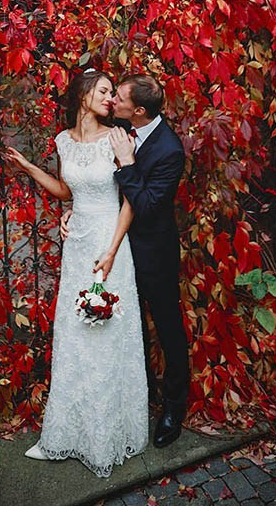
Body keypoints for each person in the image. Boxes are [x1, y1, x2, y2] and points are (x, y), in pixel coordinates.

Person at [4, 69, 149, 477]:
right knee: (76, 333)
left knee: (109, 332)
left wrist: (113, 250)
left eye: (111, 93)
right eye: (103, 91)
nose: (109, 99)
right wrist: (30, 168)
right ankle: (66, 435)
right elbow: (69, 191)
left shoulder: (118, 139)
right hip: (78, 242)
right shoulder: (64, 141)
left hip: (110, 243)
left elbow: (130, 199)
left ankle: (110, 434)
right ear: (84, 94)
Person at [107, 72, 189, 447]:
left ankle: (173, 406)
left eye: (120, 99)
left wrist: (127, 163)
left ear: (138, 110)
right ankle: (140, 397)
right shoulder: (116, 124)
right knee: (129, 326)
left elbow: (148, 208)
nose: (113, 102)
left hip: (154, 253)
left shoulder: (169, 150)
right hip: (116, 247)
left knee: (168, 328)